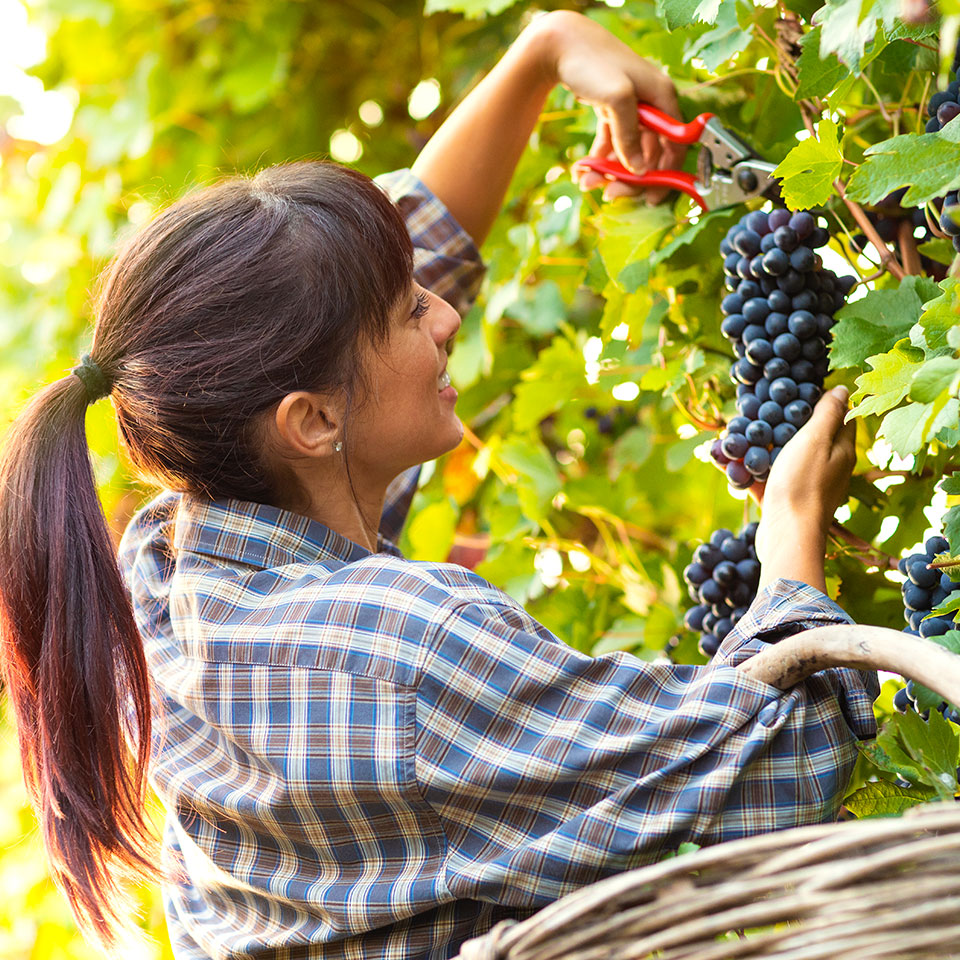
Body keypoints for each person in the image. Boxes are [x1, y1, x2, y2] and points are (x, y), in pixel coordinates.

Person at [0, 10, 876, 960]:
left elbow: (401, 252)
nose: (449, 315)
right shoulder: (411, 651)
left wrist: (542, 53)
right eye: (412, 309)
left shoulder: (172, 573)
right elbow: (773, 769)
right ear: (313, 420)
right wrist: (789, 524)